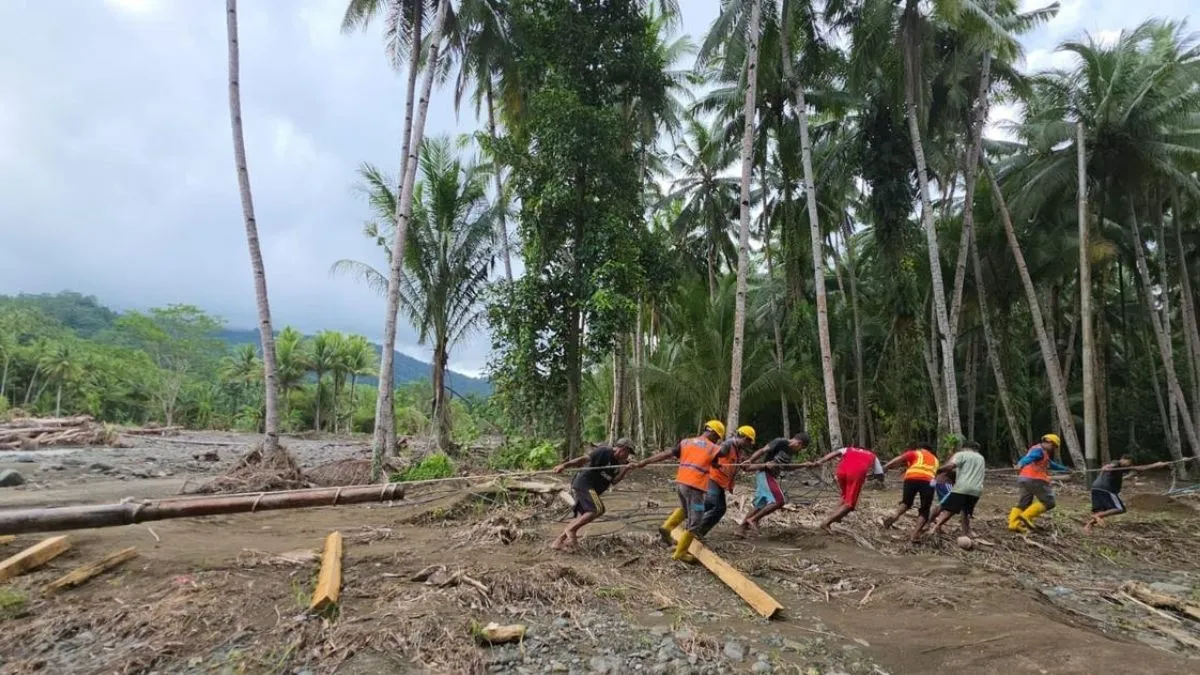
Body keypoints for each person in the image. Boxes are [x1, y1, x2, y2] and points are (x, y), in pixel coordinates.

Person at [632, 420, 725, 562]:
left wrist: (645, 461)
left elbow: (666, 454)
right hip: (695, 488)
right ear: (712, 432)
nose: (717, 440)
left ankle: (667, 527)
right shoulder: (713, 448)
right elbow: (718, 457)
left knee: (685, 509)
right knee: (696, 522)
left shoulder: (686, 442)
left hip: (682, 484)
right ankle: (679, 554)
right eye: (717, 437)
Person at [550, 437, 636, 551]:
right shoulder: (604, 452)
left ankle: (558, 541)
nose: (628, 456)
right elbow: (583, 459)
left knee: (585, 515)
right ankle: (571, 530)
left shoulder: (618, 464)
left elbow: (614, 481)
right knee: (597, 509)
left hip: (593, 490)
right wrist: (564, 465)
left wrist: (625, 470)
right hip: (584, 483)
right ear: (623, 449)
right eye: (628, 452)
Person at [734, 432, 810, 537]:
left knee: (760, 505)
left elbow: (786, 467)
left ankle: (740, 529)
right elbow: (762, 450)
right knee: (779, 500)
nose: (799, 450)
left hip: (771, 476)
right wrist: (750, 460)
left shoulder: (791, 452)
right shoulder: (780, 442)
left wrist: (802, 465)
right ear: (799, 443)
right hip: (765, 473)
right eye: (801, 448)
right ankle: (754, 519)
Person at [805, 446, 884, 534]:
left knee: (844, 496)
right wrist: (874, 477)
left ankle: (834, 516)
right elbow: (880, 475)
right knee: (850, 505)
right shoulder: (873, 455)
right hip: (856, 472)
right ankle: (826, 522)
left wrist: (820, 461)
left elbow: (834, 453)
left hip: (841, 470)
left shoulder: (849, 449)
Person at [695, 425, 756, 537]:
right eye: (749, 441)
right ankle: (690, 517)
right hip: (713, 478)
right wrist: (714, 462)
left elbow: (744, 467)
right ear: (744, 438)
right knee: (710, 502)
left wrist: (757, 465)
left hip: (720, 482)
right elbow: (713, 453)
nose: (748, 445)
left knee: (720, 509)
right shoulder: (727, 445)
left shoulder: (738, 450)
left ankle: (699, 532)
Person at [1084, 456, 1170, 534]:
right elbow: (1114, 465)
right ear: (1125, 459)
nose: (1129, 464)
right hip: (1106, 488)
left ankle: (1088, 526)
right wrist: (1156, 464)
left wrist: (1159, 465)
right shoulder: (1117, 463)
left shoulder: (1121, 468)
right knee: (1120, 509)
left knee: (1100, 510)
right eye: (1129, 462)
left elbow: (1138, 469)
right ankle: (1098, 516)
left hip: (1095, 487)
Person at [1009, 434, 1070, 533]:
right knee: (1049, 502)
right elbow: (1029, 458)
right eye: (1053, 446)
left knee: (1024, 503)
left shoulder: (1042, 452)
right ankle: (1026, 516)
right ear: (1048, 442)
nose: (1053, 449)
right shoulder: (1039, 451)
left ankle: (1013, 524)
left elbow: (1051, 464)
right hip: (1035, 479)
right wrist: (1020, 464)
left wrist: (1065, 469)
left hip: (1023, 478)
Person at [880, 443, 940, 542]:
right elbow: (936, 474)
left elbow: (899, 459)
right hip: (928, 480)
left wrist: (884, 468)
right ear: (930, 451)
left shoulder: (916, 453)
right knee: (925, 509)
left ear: (921, 448)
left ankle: (895, 516)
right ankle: (915, 535)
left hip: (911, 477)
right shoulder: (936, 460)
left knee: (906, 503)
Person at [930, 441, 986, 539]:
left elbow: (950, 466)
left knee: (947, 509)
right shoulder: (981, 458)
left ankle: (933, 528)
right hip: (976, 490)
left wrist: (937, 470)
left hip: (961, 488)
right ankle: (965, 533)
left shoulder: (961, 454)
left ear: (965, 447)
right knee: (965, 511)